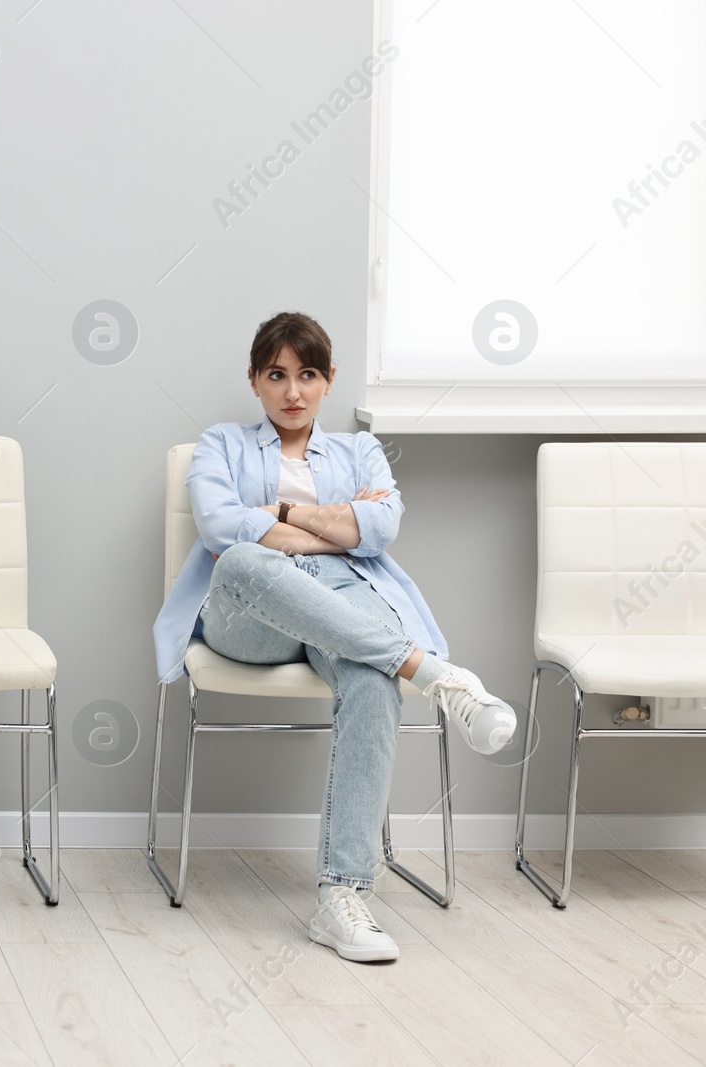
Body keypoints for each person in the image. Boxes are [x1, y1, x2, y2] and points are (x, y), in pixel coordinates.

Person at [151, 311, 515, 963]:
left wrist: (283, 515)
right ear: (256, 382)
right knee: (240, 558)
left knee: (372, 678)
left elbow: (379, 528)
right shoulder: (221, 444)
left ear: (328, 381)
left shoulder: (359, 450)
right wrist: (330, 526)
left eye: (308, 375)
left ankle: (341, 897)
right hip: (250, 615)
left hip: (337, 605)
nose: (293, 391)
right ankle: (433, 673)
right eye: (278, 375)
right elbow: (221, 529)